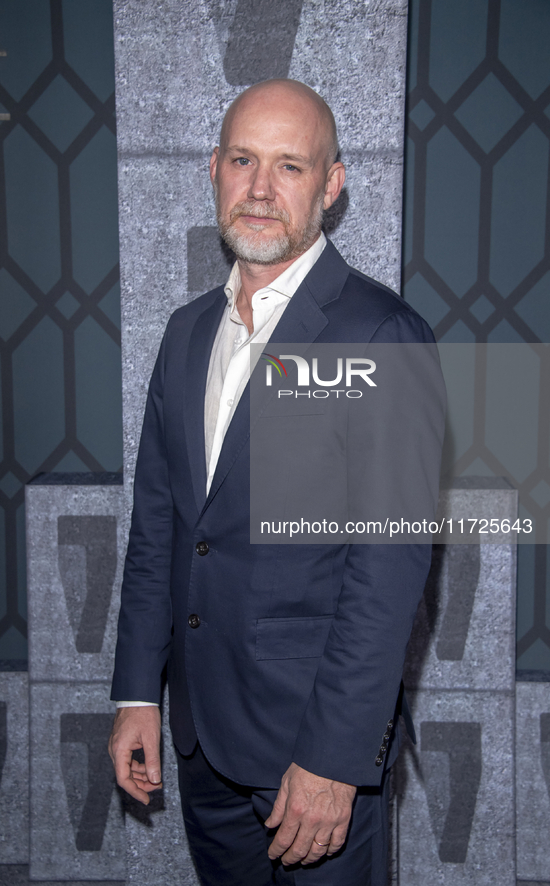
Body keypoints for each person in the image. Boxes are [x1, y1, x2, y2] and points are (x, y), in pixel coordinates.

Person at [109, 78, 444, 885]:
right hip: (201, 740)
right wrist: (136, 695)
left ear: (330, 188)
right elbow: (161, 525)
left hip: (311, 754)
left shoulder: (380, 334)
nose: (259, 189)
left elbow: (386, 571)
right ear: (213, 171)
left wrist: (335, 760)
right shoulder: (188, 332)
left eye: (289, 166)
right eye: (242, 160)